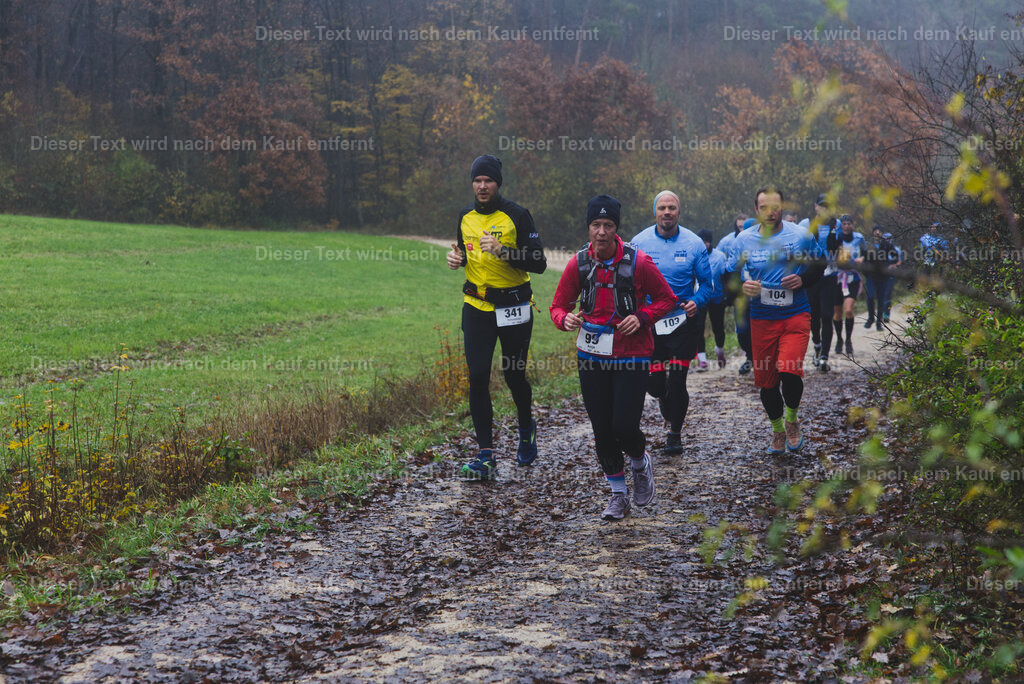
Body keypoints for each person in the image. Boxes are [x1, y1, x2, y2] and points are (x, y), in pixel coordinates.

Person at [550, 195, 676, 520]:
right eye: (596, 225)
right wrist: (564, 319)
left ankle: (639, 461)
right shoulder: (578, 264)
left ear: (616, 229)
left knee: (623, 425)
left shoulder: (639, 262)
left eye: (608, 225)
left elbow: (667, 299)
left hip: (632, 354)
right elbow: (557, 306)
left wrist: (644, 316)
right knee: (602, 429)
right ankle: (618, 495)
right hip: (591, 354)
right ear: (588, 227)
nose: (602, 232)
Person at [446, 155, 547, 480]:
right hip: (476, 306)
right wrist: (457, 258)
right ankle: (486, 455)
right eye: (477, 180)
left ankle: (526, 427)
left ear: (497, 183)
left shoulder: (517, 215)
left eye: (488, 180)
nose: (482, 185)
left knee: (513, 374)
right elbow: (467, 254)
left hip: (514, 306)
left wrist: (505, 252)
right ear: (472, 184)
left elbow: (539, 262)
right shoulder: (465, 216)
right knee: (477, 376)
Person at [726, 187, 824, 453]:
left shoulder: (800, 236)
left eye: (775, 206)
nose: (770, 212)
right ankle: (778, 430)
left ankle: (792, 420)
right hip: (762, 318)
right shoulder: (743, 240)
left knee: (789, 370)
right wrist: (742, 286)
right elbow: (729, 277)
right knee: (767, 382)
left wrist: (803, 279)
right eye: (764, 207)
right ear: (756, 211)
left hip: (795, 314)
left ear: (782, 208)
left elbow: (820, 264)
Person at [630, 191, 712, 456]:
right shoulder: (638, 242)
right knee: (654, 385)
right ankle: (664, 396)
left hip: (682, 322)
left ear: (679, 212)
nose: (667, 212)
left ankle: (674, 434)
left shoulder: (694, 243)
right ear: (655, 211)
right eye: (662, 207)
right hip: (650, 323)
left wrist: (696, 302)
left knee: (678, 382)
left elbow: (708, 285)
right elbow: (628, 283)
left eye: (672, 208)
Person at [799, 194, 840, 372]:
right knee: (813, 317)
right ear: (815, 207)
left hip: (829, 276)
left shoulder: (836, 225)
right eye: (821, 206)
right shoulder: (805, 225)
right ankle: (817, 344)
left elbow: (843, 246)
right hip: (811, 276)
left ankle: (824, 357)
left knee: (826, 315)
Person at [830, 214, 865, 356]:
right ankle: (839, 339)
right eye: (844, 224)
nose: (846, 226)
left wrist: (862, 259)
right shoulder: (836, 237)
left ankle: (849, 340)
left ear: (852, 224)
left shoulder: (859, 238)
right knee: (837, 313)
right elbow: (830, 254)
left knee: (849, 310)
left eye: (849, 223)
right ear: (841, 226)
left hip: (853, 278)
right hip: (837, 277)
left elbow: (866, 253)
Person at [694, 229, 729, 371]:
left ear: (710, 242)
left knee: (718, 327)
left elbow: (725, 277)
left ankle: (719, 350)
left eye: (706, 241)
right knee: (698, 327)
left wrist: (727, 296)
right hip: (700, 297)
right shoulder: (694, 255)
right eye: (701, 241)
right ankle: (702, 360)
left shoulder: (719, 257)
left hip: (716, 298)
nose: (704, 244)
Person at [863, 226, 894, 331]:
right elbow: (863, 259)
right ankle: (871, 317)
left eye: (879, 231)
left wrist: (890, 266)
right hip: (871, 276)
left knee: (881, 300)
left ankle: (878, 323)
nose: (877, 233)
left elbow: (895, 255)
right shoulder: (867, 245)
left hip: (882, 277)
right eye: (875, 231)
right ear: (872, 233)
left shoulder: (886, 244)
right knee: (870, 297)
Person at [881, 233, 902, 321]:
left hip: (890, 274)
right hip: (882, 274)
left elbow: (899, 261)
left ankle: (886, 314)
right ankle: (881, 312)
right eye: (885, 238)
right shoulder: (881, 249)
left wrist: (893, 266)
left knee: (887, 294)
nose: (887, 240)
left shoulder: (895, 249)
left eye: (888, 238)